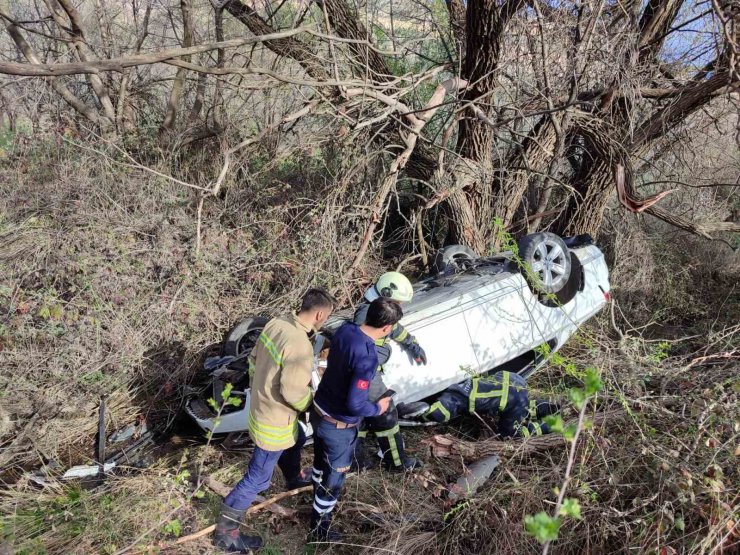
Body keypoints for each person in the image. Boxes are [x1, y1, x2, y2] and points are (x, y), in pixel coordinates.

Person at [213, 288, 336, 553]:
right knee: (257, 479)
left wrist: (264, 387)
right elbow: (293, 392)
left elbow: (253, 358)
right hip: (275, 420)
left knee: (298, 438)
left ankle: (293, 477)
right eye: (326, 317)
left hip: (261, 407)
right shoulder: (299, 345)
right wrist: (313, 405)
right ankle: (226, 533)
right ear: (319, 314)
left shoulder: (277, 322)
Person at [308, 298, 403, 542]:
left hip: (318, 412)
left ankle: (314, 498)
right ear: (387, 328)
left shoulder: (345, 330)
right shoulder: (367, 357)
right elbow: (355, 403)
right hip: (338, 427)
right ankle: (320, 529)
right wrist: (378, 407)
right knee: (334, 479)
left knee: (319, 464)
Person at [352, 271, 426, 472]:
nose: (400, 307)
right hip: (365, 374)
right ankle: (396, 463)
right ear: (385, 294)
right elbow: (362, 348)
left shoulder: (377, 310)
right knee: (386, 413)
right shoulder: (364, 315)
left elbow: (395, 328)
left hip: (364, 373)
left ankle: (358, 463)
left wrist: (412, 344)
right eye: (398, 302)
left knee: (358, 419)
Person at [407, 371, 559, 437]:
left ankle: (425, 408)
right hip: (464, 399)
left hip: (468, 384)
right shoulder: (518, 406)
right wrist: (543, 428)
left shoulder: (519, 381)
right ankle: (424, 411)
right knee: (441, 411)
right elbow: (507, 434)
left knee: (453, 397)